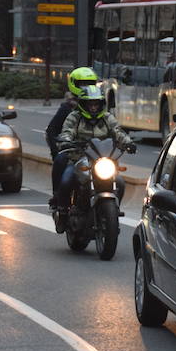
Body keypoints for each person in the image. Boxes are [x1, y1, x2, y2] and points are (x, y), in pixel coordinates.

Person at [53, 83, 136, 232]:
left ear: (101, 104)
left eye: (96, 104)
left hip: (104, 160)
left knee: (120, 183)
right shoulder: (74, 117)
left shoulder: (107, 118)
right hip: (79, 159)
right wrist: (66, 140)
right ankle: (63, 215)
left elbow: (118, 132)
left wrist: (128, 143)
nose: (93, 107)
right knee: (66, 181)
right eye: (90, 104)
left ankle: (113, 211)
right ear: (83, 104)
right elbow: (67, 131)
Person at [46, 67, 98, 209]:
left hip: (97, 154)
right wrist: (58, 149)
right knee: (60, 162)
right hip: (74, 153)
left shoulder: (100, 106)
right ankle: (58, 200)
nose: (87, 87)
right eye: (83, 84)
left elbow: (114, 128)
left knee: (118, 179)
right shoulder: (68, 109)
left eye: (90, 84)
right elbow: (52, 130)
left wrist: (124, 141)